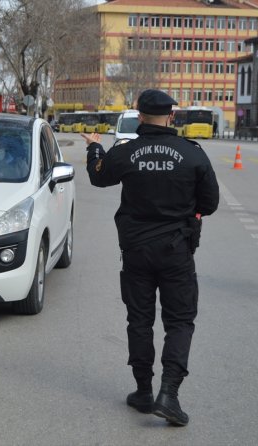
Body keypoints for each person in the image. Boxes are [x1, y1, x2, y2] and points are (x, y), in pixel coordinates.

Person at [82, 89, 219, 427]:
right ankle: (169, 394)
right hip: (177, 252)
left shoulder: (127, 152)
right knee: (180, 321)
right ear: (171, 116)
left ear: (140, 116)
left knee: (139, 320)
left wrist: (94, 147)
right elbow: (210, 203)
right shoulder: (192, 153)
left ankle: (143, 392)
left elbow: (99, 177)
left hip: (136, 253)